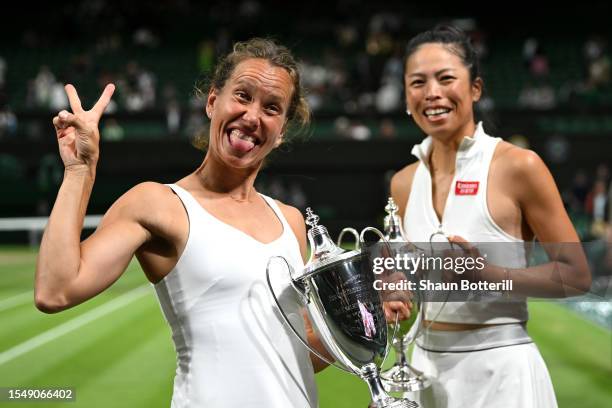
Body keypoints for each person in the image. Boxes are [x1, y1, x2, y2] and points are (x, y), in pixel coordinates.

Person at [35, 38, 334, 408]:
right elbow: (55, 290)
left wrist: (362, 327)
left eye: (272, 108)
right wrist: (80, 170)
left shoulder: (291, 221)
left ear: (282, 130)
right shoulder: (160, 204)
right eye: (242, 96)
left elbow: (294, 355)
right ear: (212, 102)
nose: (253, 116)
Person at [390, 26, 591, 408]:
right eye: (418, 82)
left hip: (502, 377)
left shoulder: (519, 166)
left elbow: (577, 273)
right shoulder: (402, 183)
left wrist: (491, 276)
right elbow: (409, 283)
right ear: (406, 96)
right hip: (424, 372)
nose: (432, 92)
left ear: (475, 89)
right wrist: (397, 291)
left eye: (446, 78)